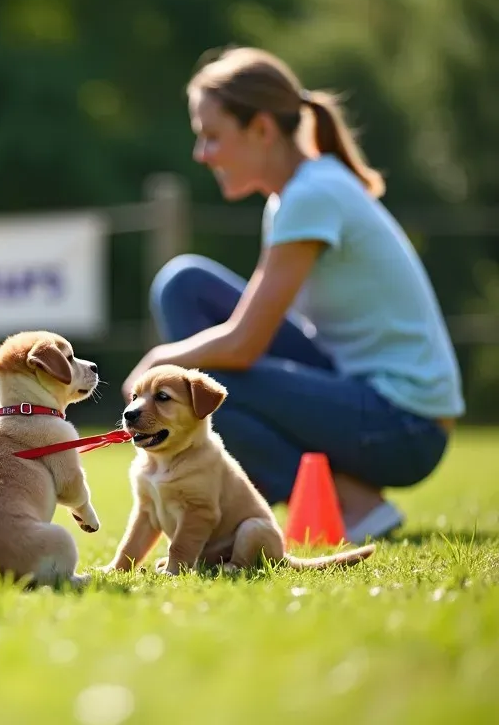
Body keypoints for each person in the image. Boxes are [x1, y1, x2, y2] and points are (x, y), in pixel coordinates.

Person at [123, 46, 464, 543]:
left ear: (261, 128)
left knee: (208, 384)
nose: (202, 154)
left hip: (406, 427)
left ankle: (349, 501)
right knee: (185, 286)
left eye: (212, 136)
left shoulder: (311, 195)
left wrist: (158, 356)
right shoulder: (297, 195)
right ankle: (317, 490)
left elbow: (243, 344)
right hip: (361, 395)